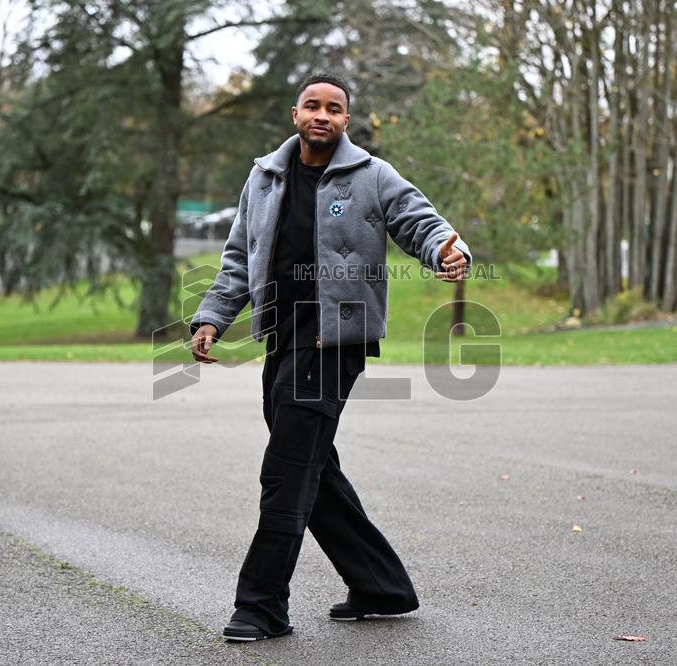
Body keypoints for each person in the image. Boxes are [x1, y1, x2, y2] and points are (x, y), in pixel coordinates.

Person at [189, 72, 471, 642]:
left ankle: (262, 605)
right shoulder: (265, 177)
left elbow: (419, 221)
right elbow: (240, 255)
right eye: (312, 105)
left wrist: (447, 250)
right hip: (283, 338)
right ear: (295, 114)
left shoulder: (371, 175)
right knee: (311, 463)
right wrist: (212, 316)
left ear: (346, 120)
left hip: (333, 342)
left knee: (287, 468)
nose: (322, 115)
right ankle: (382, 586)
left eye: (334, 108)